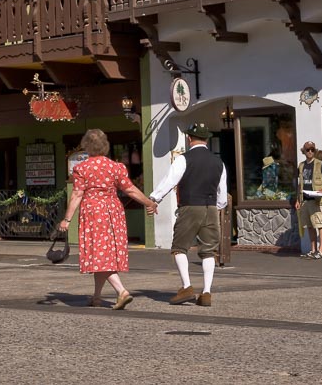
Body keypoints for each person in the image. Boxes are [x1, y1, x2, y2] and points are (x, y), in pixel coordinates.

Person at [59, 129, 155, 309]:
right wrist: (148, 202)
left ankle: (122, 291)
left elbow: (77, 194)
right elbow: (130, 189)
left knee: (99, 255)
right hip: (114, 211)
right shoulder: (116, 167)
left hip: (93, 212)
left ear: (87, 146)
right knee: (104, 254)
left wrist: (67, 219)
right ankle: (96, 297)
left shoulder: (82, 168)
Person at [148, 123, 227, 306]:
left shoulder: (184, 159)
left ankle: (187, 287)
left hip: (190, 206)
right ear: (206, 139)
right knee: (209, 251)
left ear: (189, 138)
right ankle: (206, 292)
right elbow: (222, 192)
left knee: (179, 247)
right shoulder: (218, 162)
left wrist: (154, 198)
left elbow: (170, 180)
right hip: (212, 208)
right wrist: (218, 205)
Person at [294, 141, 322, 260]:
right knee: (310, 226)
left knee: (320, 225)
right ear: (304, 151)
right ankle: (313, 250)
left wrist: (321, 191)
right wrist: (298, 199)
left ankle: (321, 251)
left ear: (315, 151)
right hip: (305, 200)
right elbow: (299, 183)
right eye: (308, 150)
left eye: (312, 149)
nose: (310, 152)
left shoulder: (320, 164)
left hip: (316, 200)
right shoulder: (301, 165)